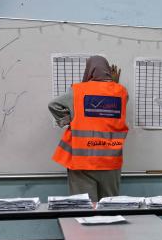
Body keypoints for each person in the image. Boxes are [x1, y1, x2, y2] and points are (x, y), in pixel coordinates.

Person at [50, 56, 128, 201]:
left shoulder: (78, 91)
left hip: (82, 161)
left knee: (84, 207)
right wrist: (114, 84)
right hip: (110, 161)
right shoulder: (121, 92)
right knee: (110, 206)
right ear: (108, 72)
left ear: (89, 70)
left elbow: (53, 105)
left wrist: (70, 119)